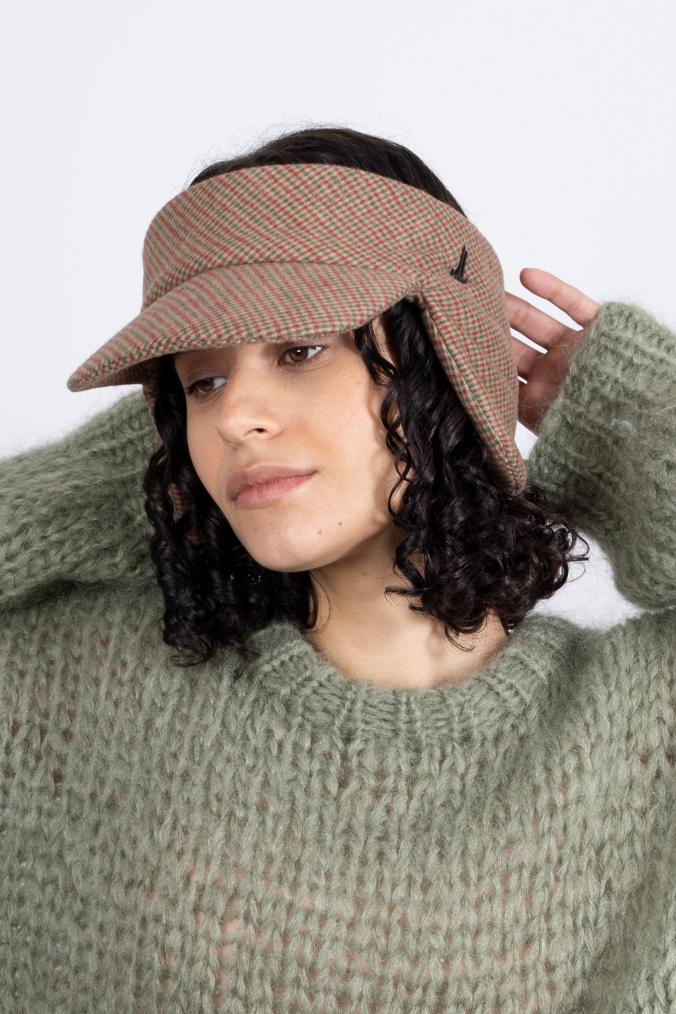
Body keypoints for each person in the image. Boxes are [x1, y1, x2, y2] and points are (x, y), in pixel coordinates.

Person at [1, 126, 674, 1012]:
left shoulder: (641, 731)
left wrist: (638, 419)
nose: (234, 416)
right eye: (201, 382)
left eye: (299, 350)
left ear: (445, 362)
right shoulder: (65, 686)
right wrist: (152, 467)